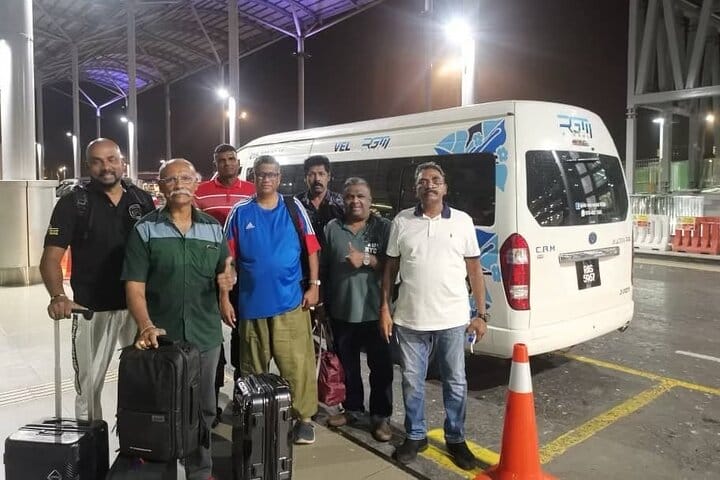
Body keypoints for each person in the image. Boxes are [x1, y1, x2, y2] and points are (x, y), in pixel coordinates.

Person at [122, 158, 233, 480]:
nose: (179, 184)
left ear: (196, 183)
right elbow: (134, 287)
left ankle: (200, 470)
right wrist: (146, 325)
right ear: (160, 186)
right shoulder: (145, 229)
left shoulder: (213, 228)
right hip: (162, 338)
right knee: (160, 408)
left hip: (205, 335)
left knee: (204, 407)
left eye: (185, 177)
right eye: (171, 179)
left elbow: (226, 271)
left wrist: (227, 287)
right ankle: (161, 470)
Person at [379, 161, 488, 470]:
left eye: (435, 180)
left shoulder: (463, 222)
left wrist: (481, 314)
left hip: (452, 319)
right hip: (409, 319)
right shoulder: (401, 221)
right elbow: (390, 268)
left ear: (445, 187)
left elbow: (474, 269)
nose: (429, 185)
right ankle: (415, 435)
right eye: (423, 180)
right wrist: (385, 308)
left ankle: (456, 438)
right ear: (416, 188)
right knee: (412, 382)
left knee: (456, 382)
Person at [40, 138, 155, 421]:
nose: (106, 167)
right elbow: (50, 259)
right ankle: (90, 445)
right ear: (87, 166)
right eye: (97, 161)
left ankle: (138, 442)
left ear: (122, 162)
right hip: (92, 309)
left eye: (112, 159)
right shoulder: (74, 203)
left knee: (145, 381)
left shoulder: (142, 200)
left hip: (137, 307)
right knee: (89, 388)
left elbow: (158, 250)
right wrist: (58, 296)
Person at [220, 155, 321, 445]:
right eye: (261, 174)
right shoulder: (240, 212)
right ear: (253, 177)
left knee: (297, 365)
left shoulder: (293, 207)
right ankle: (257, 417)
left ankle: (304, 419)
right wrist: (225, 298)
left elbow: (311, 249)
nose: (266, 179)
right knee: (253, 369)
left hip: (291, 303)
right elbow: (227, 259)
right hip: (251, 306)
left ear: (279, 178)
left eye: (272, 174)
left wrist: (314, 286)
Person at [322, 177, 393, 441]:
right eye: (350, 196)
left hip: (376, 313)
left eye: (361, 196)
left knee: (381, 369)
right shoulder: (332, 228)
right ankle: (352, 409)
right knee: (348, 367)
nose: (355, 201)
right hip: (342, 312)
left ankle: (380, 417)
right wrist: (322, 306)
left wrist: (365, 259)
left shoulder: (383, 228)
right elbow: (324, 269)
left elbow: (393, 267)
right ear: (342, 200)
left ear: (370, 200)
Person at [194, 143, 255, 427]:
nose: (228, 163)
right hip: (208, 274)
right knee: (212, 336)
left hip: (244, 275)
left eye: (232, 159)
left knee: (242, 335)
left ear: (238, 162)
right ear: (215, 164)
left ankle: (242, 395)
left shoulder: (252, 191)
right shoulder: (201, 191)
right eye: (222, 160)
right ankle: (212, 396)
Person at [295, 155, 344, 247]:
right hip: (304, 254)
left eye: (321, 174)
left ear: (328, 177)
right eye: (312, 174)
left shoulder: (341, 203)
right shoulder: (296, 204)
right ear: (305, 178)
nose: (317, 179)